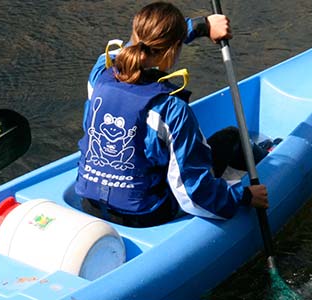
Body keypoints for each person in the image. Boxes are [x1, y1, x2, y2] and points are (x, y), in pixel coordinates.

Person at [75, 1, 270, 227]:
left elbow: (138, 43)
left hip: (90, 203)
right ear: (174, 50)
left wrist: (202, 26)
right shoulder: (172, 110)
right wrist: (243, 197)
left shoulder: (100, 72)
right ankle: (270, 160)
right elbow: (192, 194)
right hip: (145, 215)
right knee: (231, 138)